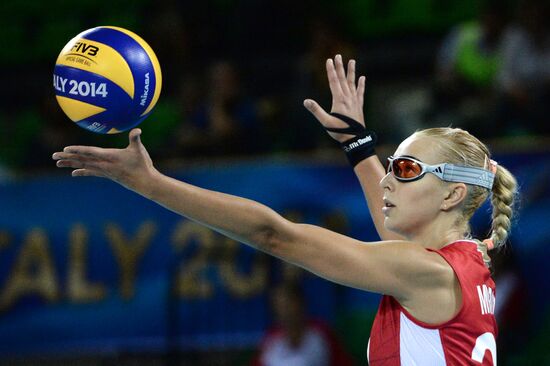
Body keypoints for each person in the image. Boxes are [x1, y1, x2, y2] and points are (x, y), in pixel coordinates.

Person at [52, 55, 517, 365]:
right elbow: (390, 225)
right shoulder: (466, 260)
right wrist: (357, 145)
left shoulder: (427, 272)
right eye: (391, 165)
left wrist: (150, 184)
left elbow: (275, 235)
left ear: (453, 195)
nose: (390, 179)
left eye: (408, 169)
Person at [251, 282, 353, 366]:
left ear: (301, 302)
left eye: (288, 304)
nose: (284, 311)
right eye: (278, 306)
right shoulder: (270, 340)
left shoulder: (321, 333)